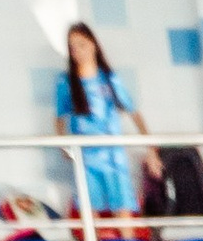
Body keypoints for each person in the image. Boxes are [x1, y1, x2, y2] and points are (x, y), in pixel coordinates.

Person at [55, 22, 146, 229]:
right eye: (72, 47)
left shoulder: (110, 79)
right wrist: (63, 147)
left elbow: (133, 111)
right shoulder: (66, 82)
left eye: (81, 44)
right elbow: (59, 117)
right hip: (86, 157)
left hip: (114, 155)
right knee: (90, 210)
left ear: (93, 45)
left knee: (122, 207)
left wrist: (151, 148)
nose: (77, 51)